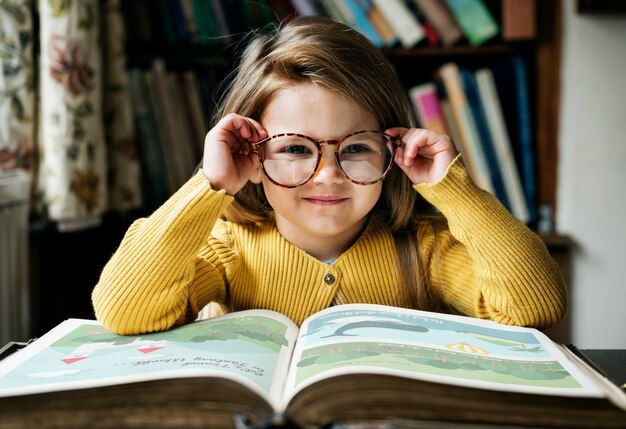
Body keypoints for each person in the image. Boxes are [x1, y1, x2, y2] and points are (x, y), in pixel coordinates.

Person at [92, 16, 566, 335]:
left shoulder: (424, 248)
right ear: (250, 157)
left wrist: (457, 193)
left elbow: (534, 307)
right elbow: (124, 310)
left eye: (355, 148)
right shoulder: (226, 249)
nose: (327, 175)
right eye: (296, 149)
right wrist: (211, 186)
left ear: (393, 150)